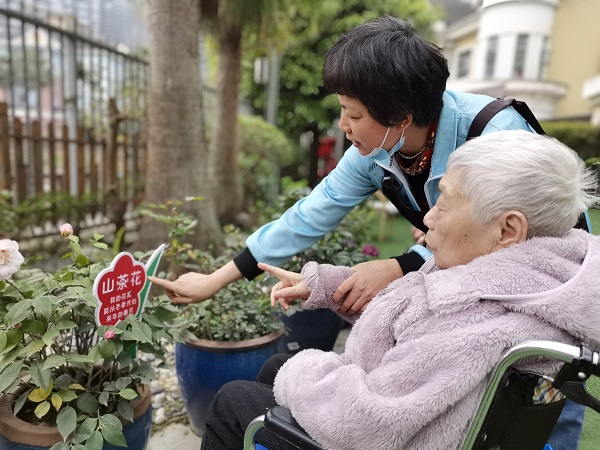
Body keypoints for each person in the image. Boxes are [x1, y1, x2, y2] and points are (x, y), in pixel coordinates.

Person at [199, 131, 600, 450]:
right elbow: (409, 310)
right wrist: (327, 286)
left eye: (443, 204)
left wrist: (305, 370)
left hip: (387, 434)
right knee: (273, 371)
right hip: (427, 420)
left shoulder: (473, 322)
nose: (427, 217)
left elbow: (364, 423)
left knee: (235, 401)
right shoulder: (531, 281)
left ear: (507, 229)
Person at [149, 15, 538, 313]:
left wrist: (398, 267)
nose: (342, 126)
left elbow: (504, 240)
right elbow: (306, 217)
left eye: (352, 115)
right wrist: (214, 281)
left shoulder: (495, 135)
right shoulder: (377, 153)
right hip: (466, 287)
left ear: (400, 117)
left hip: (538, 279)